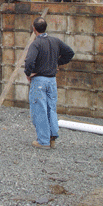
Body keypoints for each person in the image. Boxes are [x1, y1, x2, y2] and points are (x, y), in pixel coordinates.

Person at [24, 17, 74, 149]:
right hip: (52, 81)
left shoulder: (36, 44)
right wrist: (57, 63)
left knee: (39, 110)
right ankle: (52, 137)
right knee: (51, 108)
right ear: (46, 28)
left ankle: (43, 141)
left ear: (34, 29)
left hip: (39, 80)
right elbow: (70, 53)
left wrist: (28, 73)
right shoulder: (55, 41)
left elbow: (29, 61)